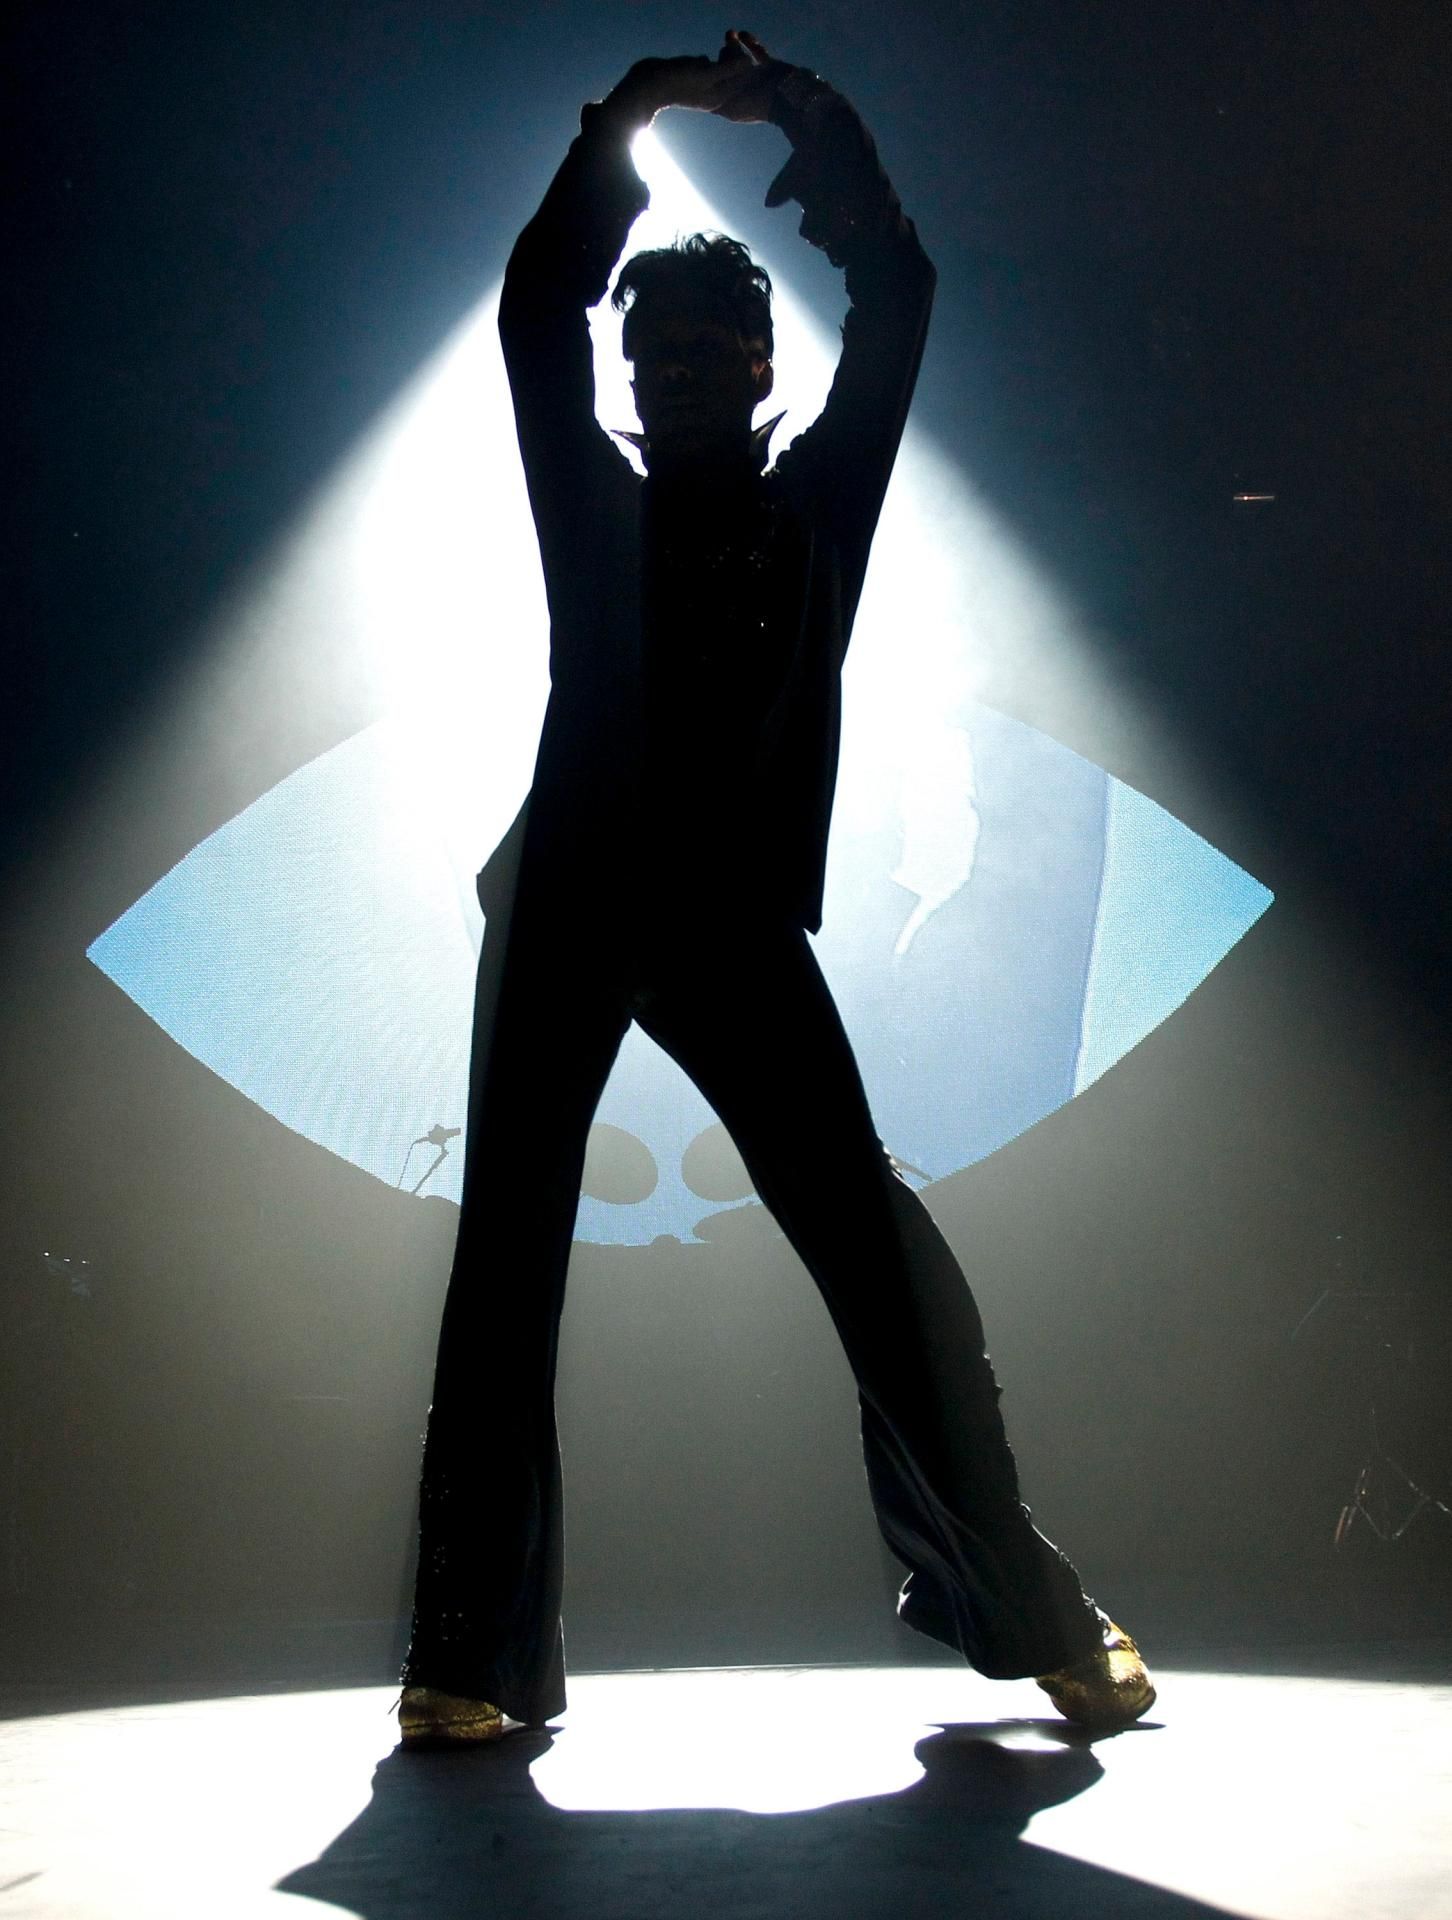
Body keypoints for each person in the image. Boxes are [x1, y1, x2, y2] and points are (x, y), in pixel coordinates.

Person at [398, 29, 1153, 1745]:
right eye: (653, 350)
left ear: (756, 365)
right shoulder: (591, 497)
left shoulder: (819, 508)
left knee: (878, 1259)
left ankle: (1030, 1611)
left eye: (706, 348)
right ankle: (457, 1659)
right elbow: (538, 307)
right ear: (635, 371)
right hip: (575, 899)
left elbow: (898, 295)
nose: (674, 372)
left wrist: (804, 115)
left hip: (725, 917)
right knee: (505, 1266)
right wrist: (638, 111)